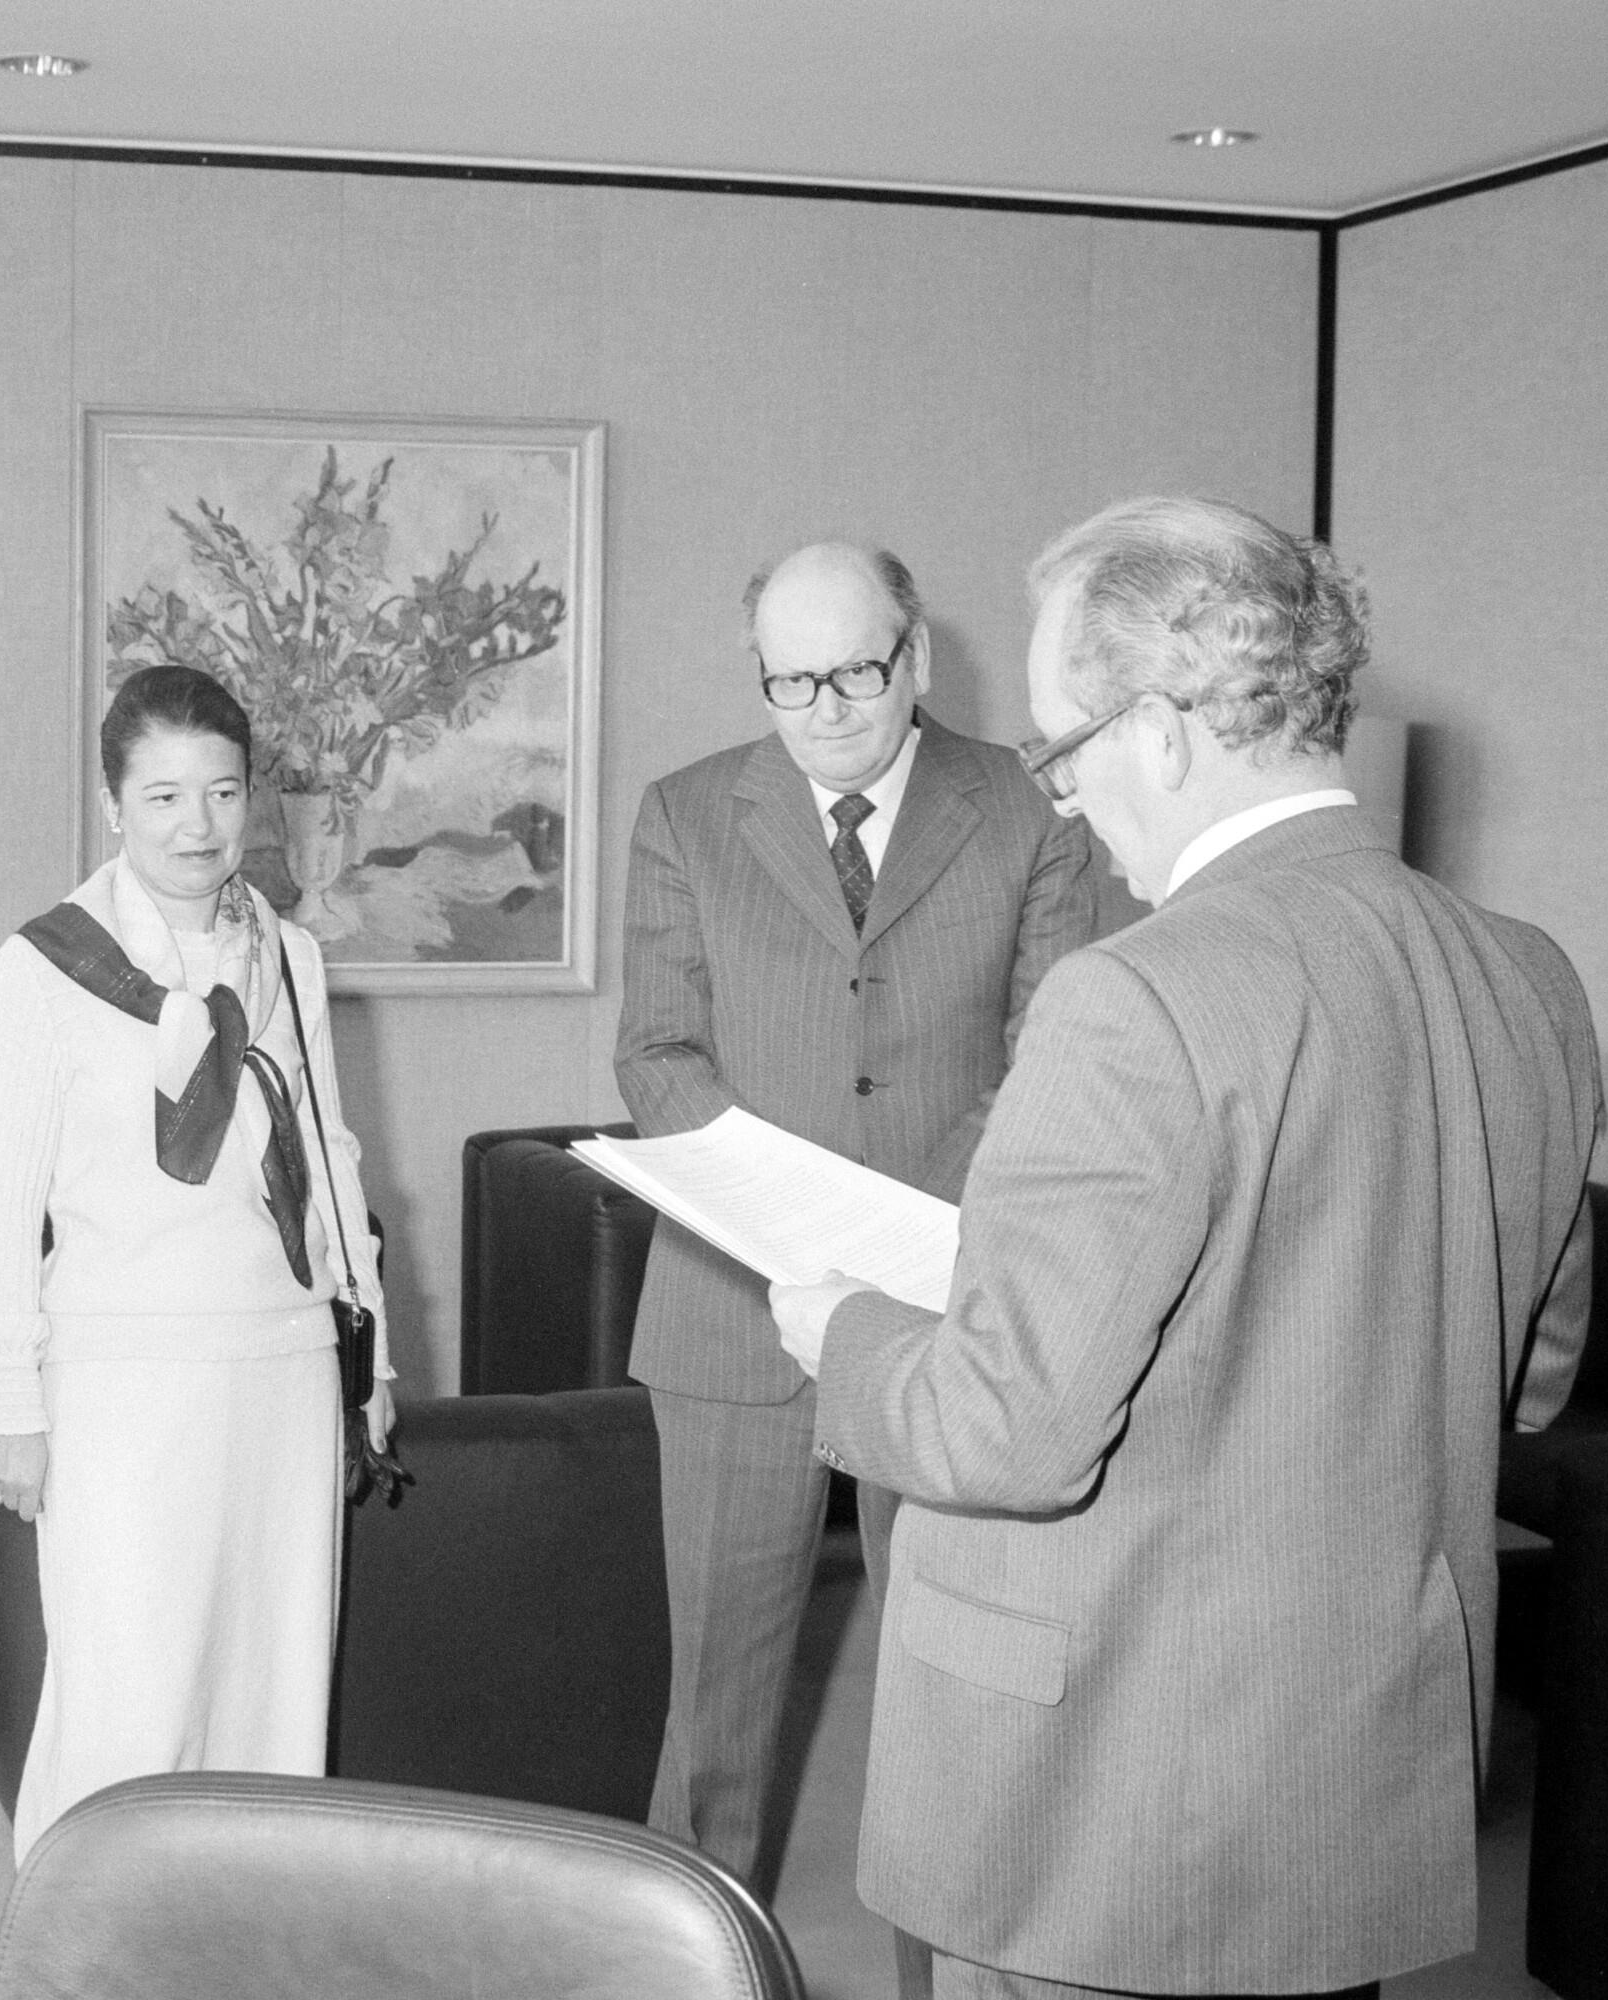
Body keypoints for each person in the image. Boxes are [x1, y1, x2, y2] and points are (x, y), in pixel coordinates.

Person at [771, 496, 1601, 2000]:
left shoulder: (1134, 995)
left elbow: (1003, 1430)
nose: (1062, 805)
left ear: (1157, 731)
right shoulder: (1527, 976)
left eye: (1059, 751)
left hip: (1107, 1807)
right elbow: (1527, 1375)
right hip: (1352, 1771)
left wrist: (844, 1333)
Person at [613, 540, 1101, 1913]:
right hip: (732, 1304)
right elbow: (656, 1054)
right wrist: (786, 1220)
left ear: (918, 655)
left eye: (857, 674)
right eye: (792, 681)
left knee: (953, 1687)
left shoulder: (1031, 804)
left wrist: (891, 1229)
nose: (825, 709)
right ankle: (691, 1958)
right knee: (713, 1703)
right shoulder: (686, 812)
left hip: (947, 1310)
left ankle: (951, 1960)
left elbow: (1051, 1052)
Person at [0, 662, 391, 1862]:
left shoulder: (287, 954)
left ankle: (240, 1941)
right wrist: (10, 1398)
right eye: (164, 796)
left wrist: (374, 1359)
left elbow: (331, 1158)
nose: (199, 825)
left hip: (284, 1363)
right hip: (124, 1379)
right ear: (112, 804)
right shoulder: (46, 963)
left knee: (274, 1688)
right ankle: (81, 1941)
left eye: (224, 792)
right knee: (126, 1698)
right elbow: (0, 1199)